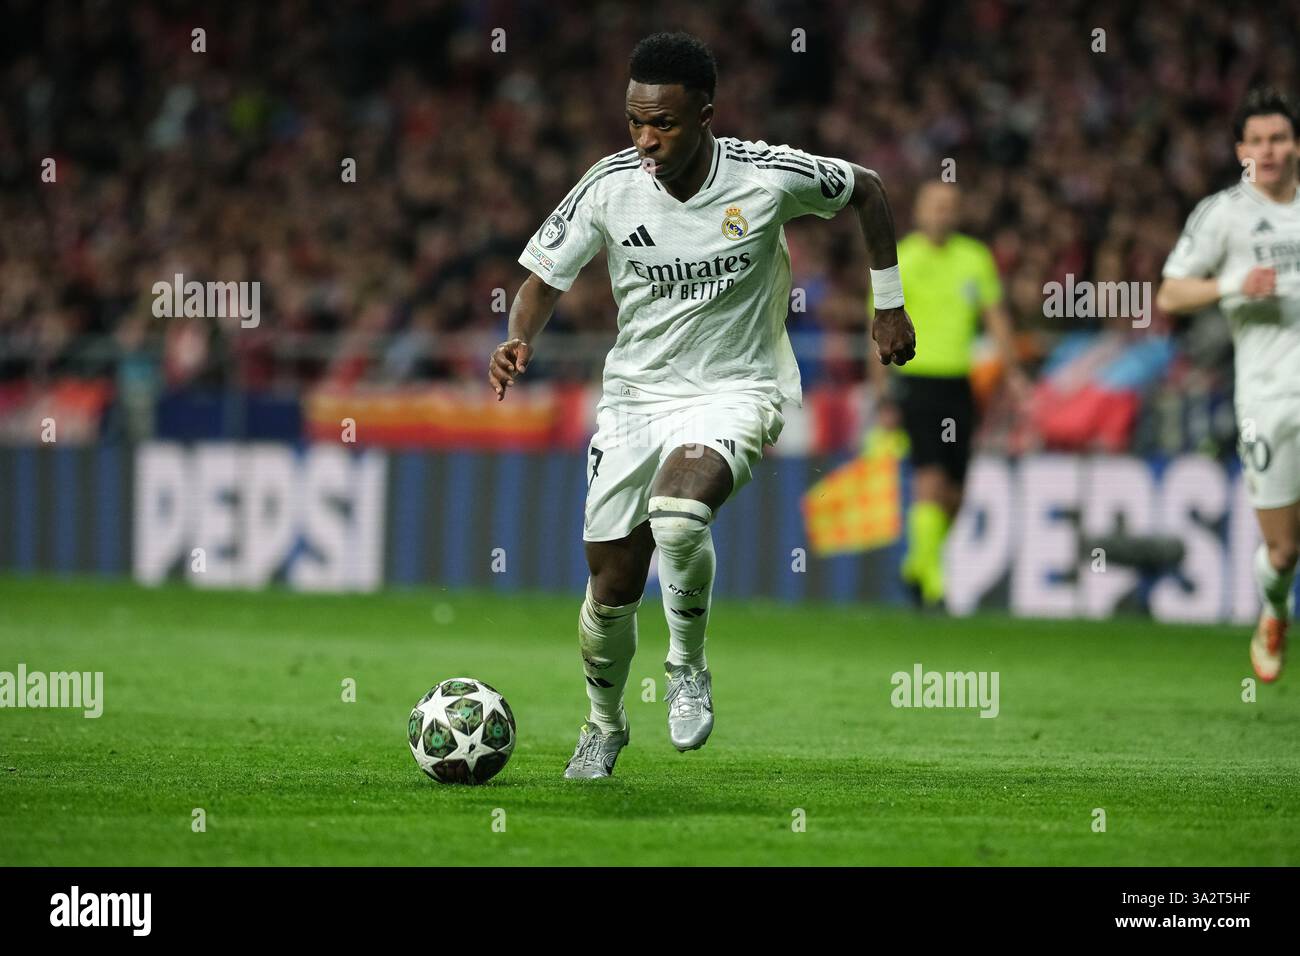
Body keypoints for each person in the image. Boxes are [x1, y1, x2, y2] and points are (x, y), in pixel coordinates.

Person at [488, 32, 915, 777]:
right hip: (635, 397)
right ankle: (604, 723)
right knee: (611, 590)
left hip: (738, 386)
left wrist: (889, 307)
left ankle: (687, 668)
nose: (646, 140)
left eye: (665, 124)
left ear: (707, 115)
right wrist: (517, 337)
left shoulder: (767, 176)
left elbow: (869, 188)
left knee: (679, 514)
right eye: (634, 122)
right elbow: (542, 279)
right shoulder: (609, 185)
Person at [1157, 87, 1300, 683]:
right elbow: (1169, 293)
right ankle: (1273, 607)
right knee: (1284, 551)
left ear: (1296, 144)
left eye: (1279, 138)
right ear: (1242, 149)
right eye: (1257, 140)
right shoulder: (1224, 214)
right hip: (1267, 399)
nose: (1268, 150)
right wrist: (1232, 283)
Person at [869, 182, 1027, 609]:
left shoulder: (974, 258)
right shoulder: (900, 257)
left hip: (960, 385)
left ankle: (919, 562)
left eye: (949, 207)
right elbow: (880, 328)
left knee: (956, 492)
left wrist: (1013, 374)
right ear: (919, 211)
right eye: (934, 206)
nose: (941, 214)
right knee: (930, 478)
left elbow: (995, 318)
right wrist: (883, 394)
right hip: (915, 380)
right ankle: (933, 585)